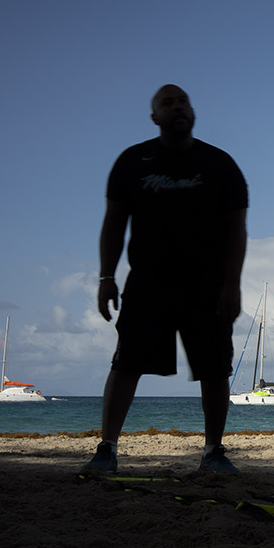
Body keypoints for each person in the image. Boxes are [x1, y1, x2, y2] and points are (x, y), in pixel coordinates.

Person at [82, 84, 248, 475]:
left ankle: (213, 452)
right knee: (126, 364)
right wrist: (107, 277)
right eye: (167, 103)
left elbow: (237, 230)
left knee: (214, 368)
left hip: (207, 283)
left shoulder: (220, 164)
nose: (177, 107)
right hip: (148, 282)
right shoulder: (132, 162)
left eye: (183, 101)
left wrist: (232, 285)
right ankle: (106, 448)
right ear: (155, 117)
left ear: (193, 112)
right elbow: (113, 224)